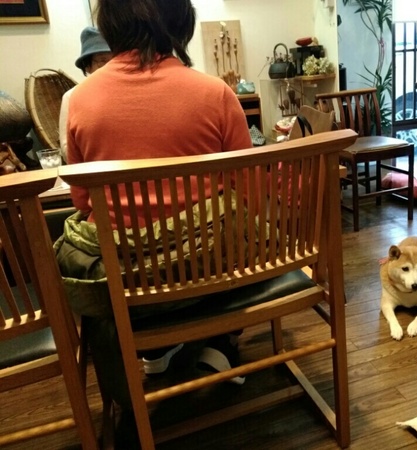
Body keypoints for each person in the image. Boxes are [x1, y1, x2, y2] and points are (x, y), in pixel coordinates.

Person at [54, 0, 252, 415]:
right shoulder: (216, 93)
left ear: (110, 24)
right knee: (241, 223)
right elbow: (246, 190)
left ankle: (154, 354)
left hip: (126, 287)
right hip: (211, 272)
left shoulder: (78, 102)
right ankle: (221, 341)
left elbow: (81, 201)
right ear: (181, 22)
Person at [58, 27, 113, 161]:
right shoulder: (72, 96)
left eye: (114, 60)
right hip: (90, 172)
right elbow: (67, 150)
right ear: (87, 66)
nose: (110, 67)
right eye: (102, 61)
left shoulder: (128, 92)